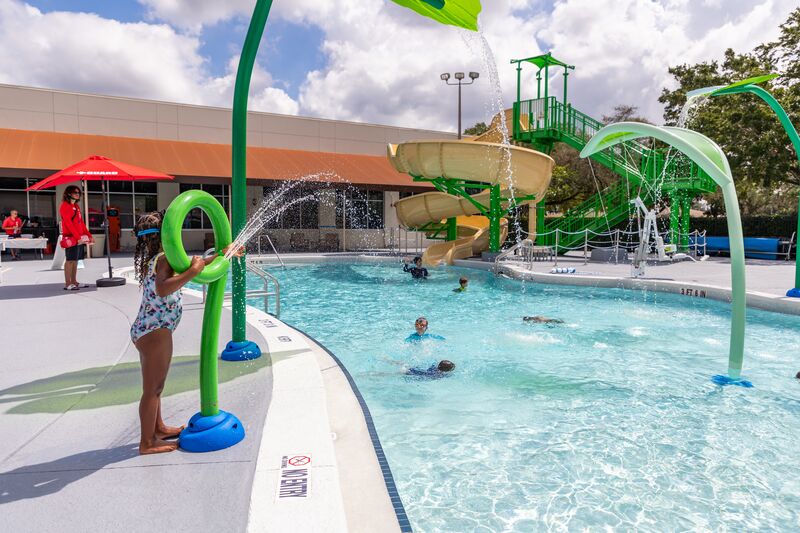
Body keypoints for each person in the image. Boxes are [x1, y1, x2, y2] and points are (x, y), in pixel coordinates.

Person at [130, 211, 241, 454]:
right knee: (153, 389)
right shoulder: (163, 258)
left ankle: (158, 428)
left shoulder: (158, 258)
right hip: (156, 331)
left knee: (155, 387)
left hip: (147, 329)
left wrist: (222, 254)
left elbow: (195, 264)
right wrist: (192, 273)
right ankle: (147, 443)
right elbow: (163, 288)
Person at [59, 185, 93, 290]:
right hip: (71, 238)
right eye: (75, 192)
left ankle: (74, 282)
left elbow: (81, 223)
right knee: (70, 260)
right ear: (69, 193)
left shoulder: (76, 207)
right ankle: (68, 283)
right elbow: (69, 224)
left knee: (75, 260)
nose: (77, 194)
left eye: (78, 192)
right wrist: (78, 237)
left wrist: (89, 235)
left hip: (78, 238)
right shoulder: (65, 206)